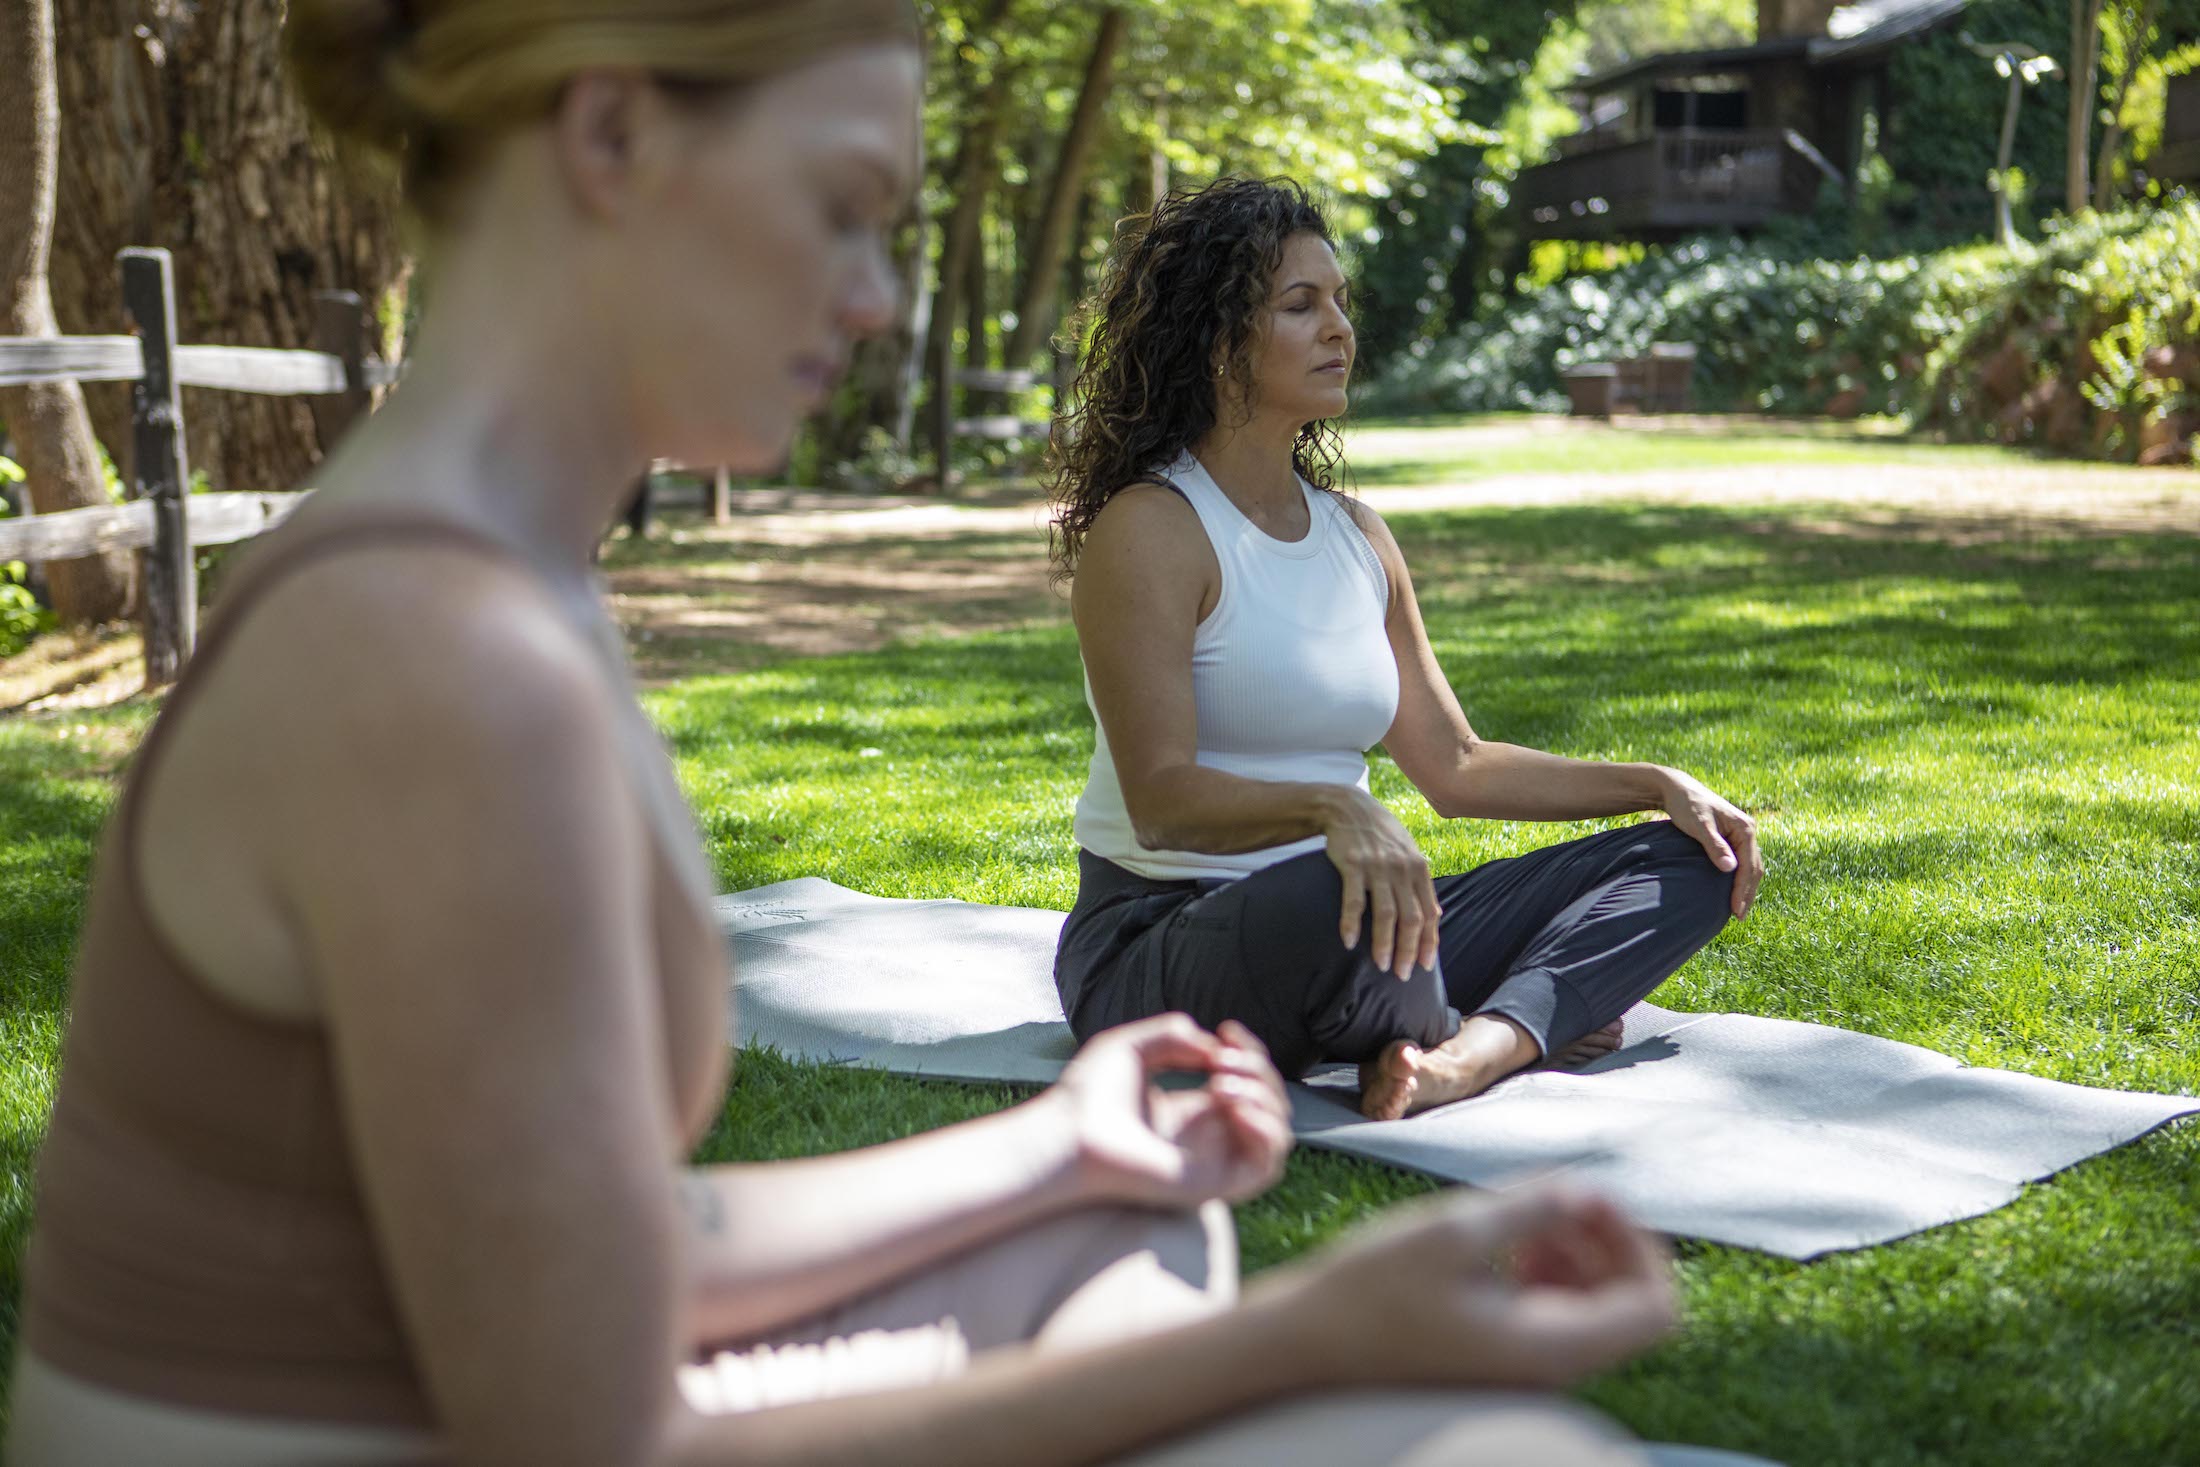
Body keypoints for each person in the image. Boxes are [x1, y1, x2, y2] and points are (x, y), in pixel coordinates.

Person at [8, 12, 1675, 1466]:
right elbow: (596, 1436)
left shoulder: (482, 582)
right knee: (1510, 1440)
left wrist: (1052, 1146)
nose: (878, 299)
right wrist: (1322, 1331)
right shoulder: (442, 668)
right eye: (842, 209)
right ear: (612, 134)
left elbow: (611, 1252)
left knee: (1134, 1238)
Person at [1049, 177, 1764, 1123]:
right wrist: (1334, 806)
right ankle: (1500, 1009)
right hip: (1161, 936)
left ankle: (1467, 1049)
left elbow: (1457, 767)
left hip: (1361, 912)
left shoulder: (1357, 536)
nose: (1340, 328)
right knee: (1337, 907)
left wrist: (1656, 782)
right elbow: (1159, 800)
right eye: (1301, 306)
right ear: (1215, 339)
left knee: (1693, 860)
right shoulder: (1152, 529)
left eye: (1341, 302)